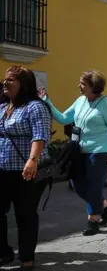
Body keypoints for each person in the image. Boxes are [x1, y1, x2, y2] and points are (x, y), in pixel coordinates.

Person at [41, 70, 107, 236]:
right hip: (80, 150)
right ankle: (106, 205)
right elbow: (64, 118)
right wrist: (47, 101)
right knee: (76, 184)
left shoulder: (105, 103)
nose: (79, 86)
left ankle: (93, 220)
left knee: (93, 185)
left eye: (83, 83)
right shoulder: (80, 101)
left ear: (94, 86)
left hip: (100, 150)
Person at [0, 66, 51, 269]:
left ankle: (26, 257)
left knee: (25, 214)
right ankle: (4, 252)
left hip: (26, 171)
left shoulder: (35, 107)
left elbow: (40, 135)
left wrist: (32, 160)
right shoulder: (3, 108)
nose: (5, 82)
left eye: (11, 79)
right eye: (5, 79)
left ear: (24, 84)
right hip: (3, 169)